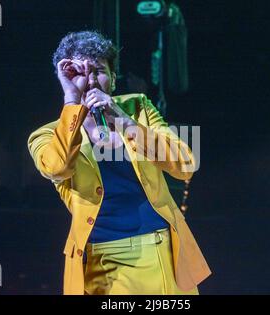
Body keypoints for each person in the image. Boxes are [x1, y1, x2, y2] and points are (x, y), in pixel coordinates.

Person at [27, 30, 211, 295]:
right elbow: (56, 168)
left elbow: (184, 165)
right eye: (78, 73)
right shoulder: (47, 135)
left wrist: (122, 119)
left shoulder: (138, 108)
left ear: (113, 78)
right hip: (98, 261)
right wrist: (71, 101)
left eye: (99, 70)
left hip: (157, 251)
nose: (90, 81)